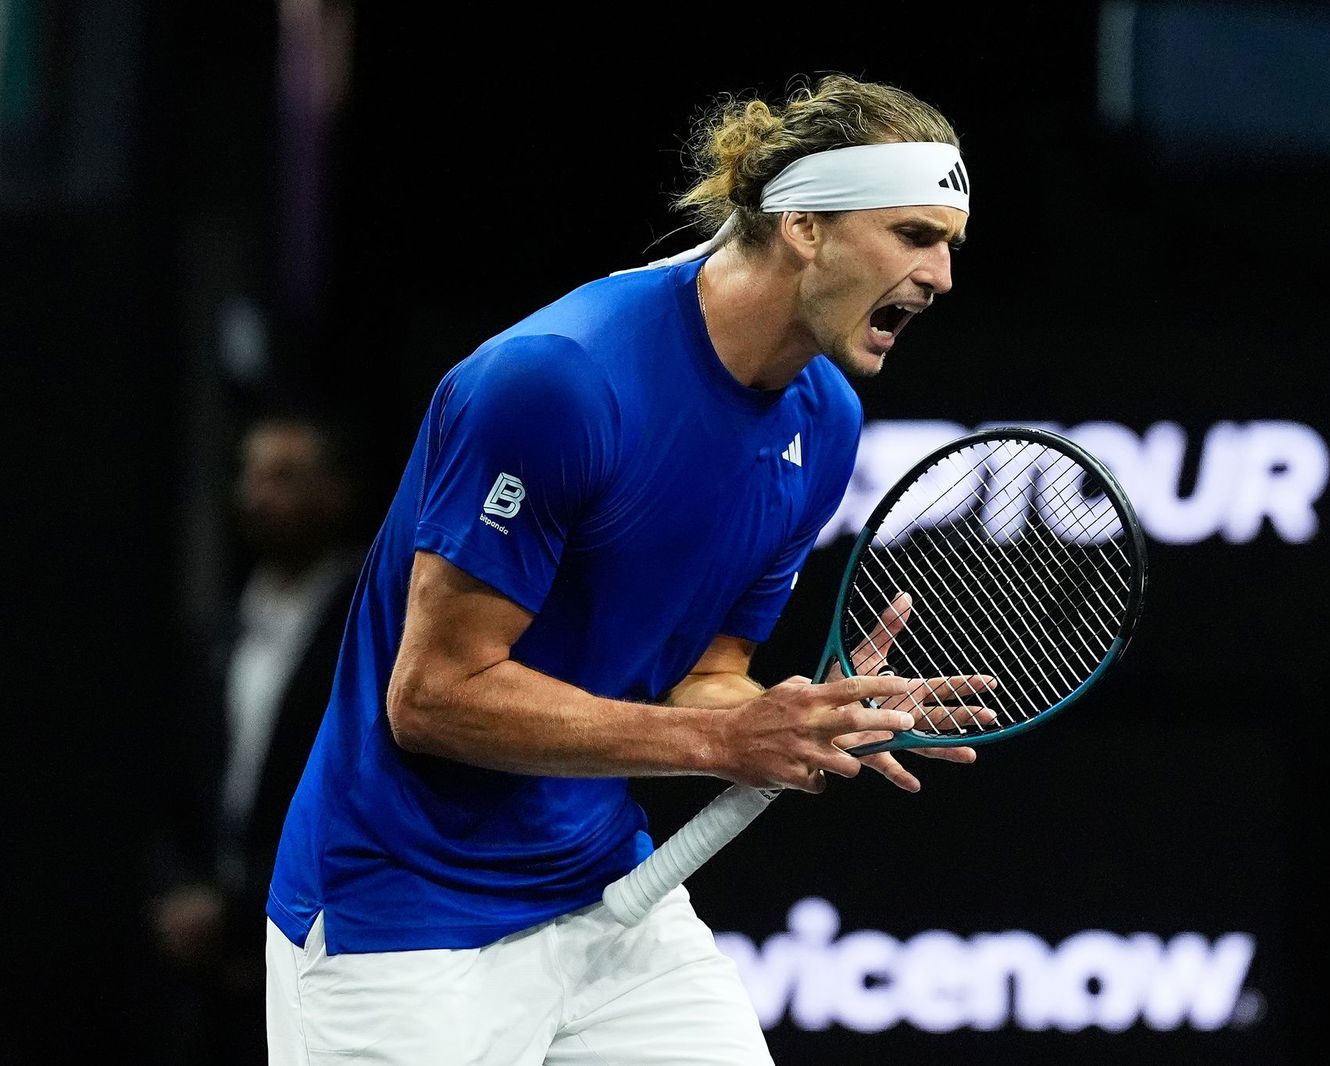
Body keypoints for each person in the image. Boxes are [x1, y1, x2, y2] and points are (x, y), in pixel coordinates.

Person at [265, 73, 982, 1065]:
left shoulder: (824, 424)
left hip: (606, 901)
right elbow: (431, 699)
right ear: (804, 226)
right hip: (398, 919)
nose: (940, 275)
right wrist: (726, 741)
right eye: (912, 235)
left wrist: (799, 721)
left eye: (948, 244)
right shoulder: (557, 381)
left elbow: (705, 675)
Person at [147, 409, 364, 1064]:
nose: (259, 496)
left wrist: (240, 911)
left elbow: (354, 797)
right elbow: (181, 784)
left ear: (334, 492)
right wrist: (178, 891)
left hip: (321, 951)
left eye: (285, 477)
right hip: (209, 975)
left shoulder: (366, 629)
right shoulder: (221, 631)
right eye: (251, 476)